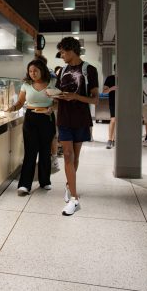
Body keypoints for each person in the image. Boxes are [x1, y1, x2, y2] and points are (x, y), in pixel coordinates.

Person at [52, 37, 99, 216]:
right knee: (68, 156)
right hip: (64, 118)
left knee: (75, 157)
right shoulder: (62, 71)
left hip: (80, 119)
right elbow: (59, 95)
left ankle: (68, 185)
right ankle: (74, 198)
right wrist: (53, 99)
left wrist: (76, 97)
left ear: (72, 50)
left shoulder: (89, 70)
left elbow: (94, 99)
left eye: (63, 52)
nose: (62, 55)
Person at [7, 59, 56, 195]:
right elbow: (21, 102)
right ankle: (24, 184)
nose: (33, 73)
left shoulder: (52, 83)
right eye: (30, 71)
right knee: (30, 151)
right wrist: (12, 108)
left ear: (42, 70)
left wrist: (52, 108)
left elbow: (58, 102)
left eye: (35, 71)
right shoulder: (26, 84)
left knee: (45, 151)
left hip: (47, 117)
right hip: (31, 117)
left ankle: (45, 181)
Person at [103, 64, 117, 149]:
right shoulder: (110, 78)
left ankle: (116, 139)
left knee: (121, 121)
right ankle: (110, 140)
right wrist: (112, 88)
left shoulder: (126, 78)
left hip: (124, 103)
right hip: (113, 102)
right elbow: (104, 91)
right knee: (113, 120)